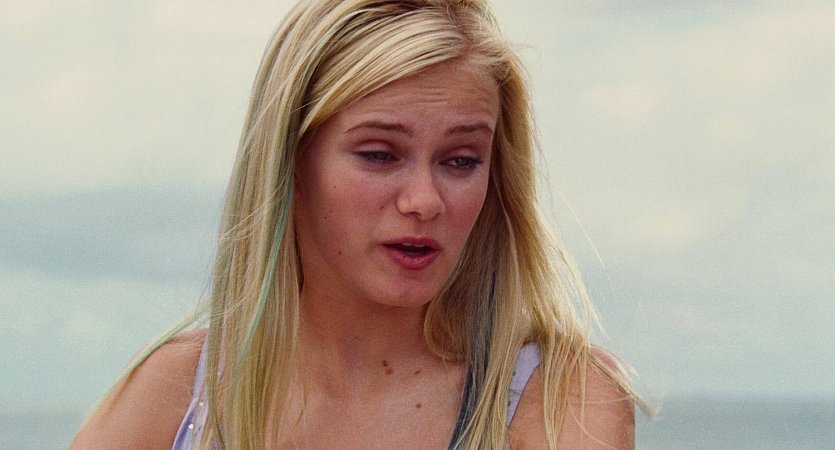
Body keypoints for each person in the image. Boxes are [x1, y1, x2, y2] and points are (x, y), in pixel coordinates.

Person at [72, 0, 641, 448]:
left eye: (461, 161)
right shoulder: (176, 395)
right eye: (379, 155)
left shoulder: (562, 401)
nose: (424, 201)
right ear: (291, 164)